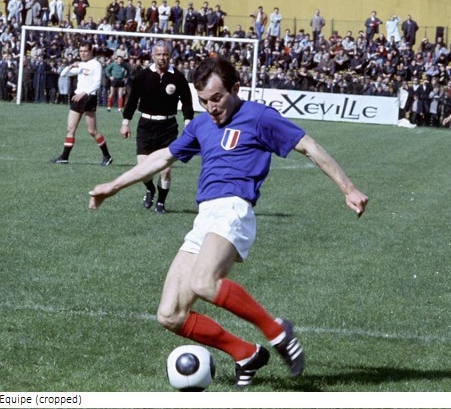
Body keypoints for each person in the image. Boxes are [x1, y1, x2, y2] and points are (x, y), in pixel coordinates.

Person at [88, 55, 369, 387]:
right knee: (170, 314)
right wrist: (113, 186)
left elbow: (308, 146)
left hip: (234, 209)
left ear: (235, 89)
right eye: (204, 100)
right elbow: (163, 157)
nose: (211, 107)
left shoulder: (259, 116)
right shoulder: (201, 125)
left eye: (217, 98)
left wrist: (348, 188)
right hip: (205, 217)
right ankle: (246, 353)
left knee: (203, 281)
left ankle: (278, 332)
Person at [120, 41, 194, 214]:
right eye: (159, 54)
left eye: (165, 54)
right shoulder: (143, 76)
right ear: (153, 55)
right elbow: (132, 100)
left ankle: (161, 202)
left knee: (165, 170)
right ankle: (150, 189)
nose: (162, 57)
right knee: (143, 171)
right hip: (146, 125)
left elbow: (187, 102)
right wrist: (125, 123)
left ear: (170, 56)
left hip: (168, 127)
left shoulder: (177, 77)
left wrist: (188, 123)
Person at [52, 41, 113, 166]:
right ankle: (64, 157)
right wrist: (70, 66)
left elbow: (97, 84)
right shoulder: (81, 64)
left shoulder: (96, 64)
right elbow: (63, 74)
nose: (83, 53)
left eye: (85, 51)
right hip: (77, 97)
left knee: (92, 131)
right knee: (70, 128)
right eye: (81, 51)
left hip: (88, 98)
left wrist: (84, 93)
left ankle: (107, 156)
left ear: (91, 51)